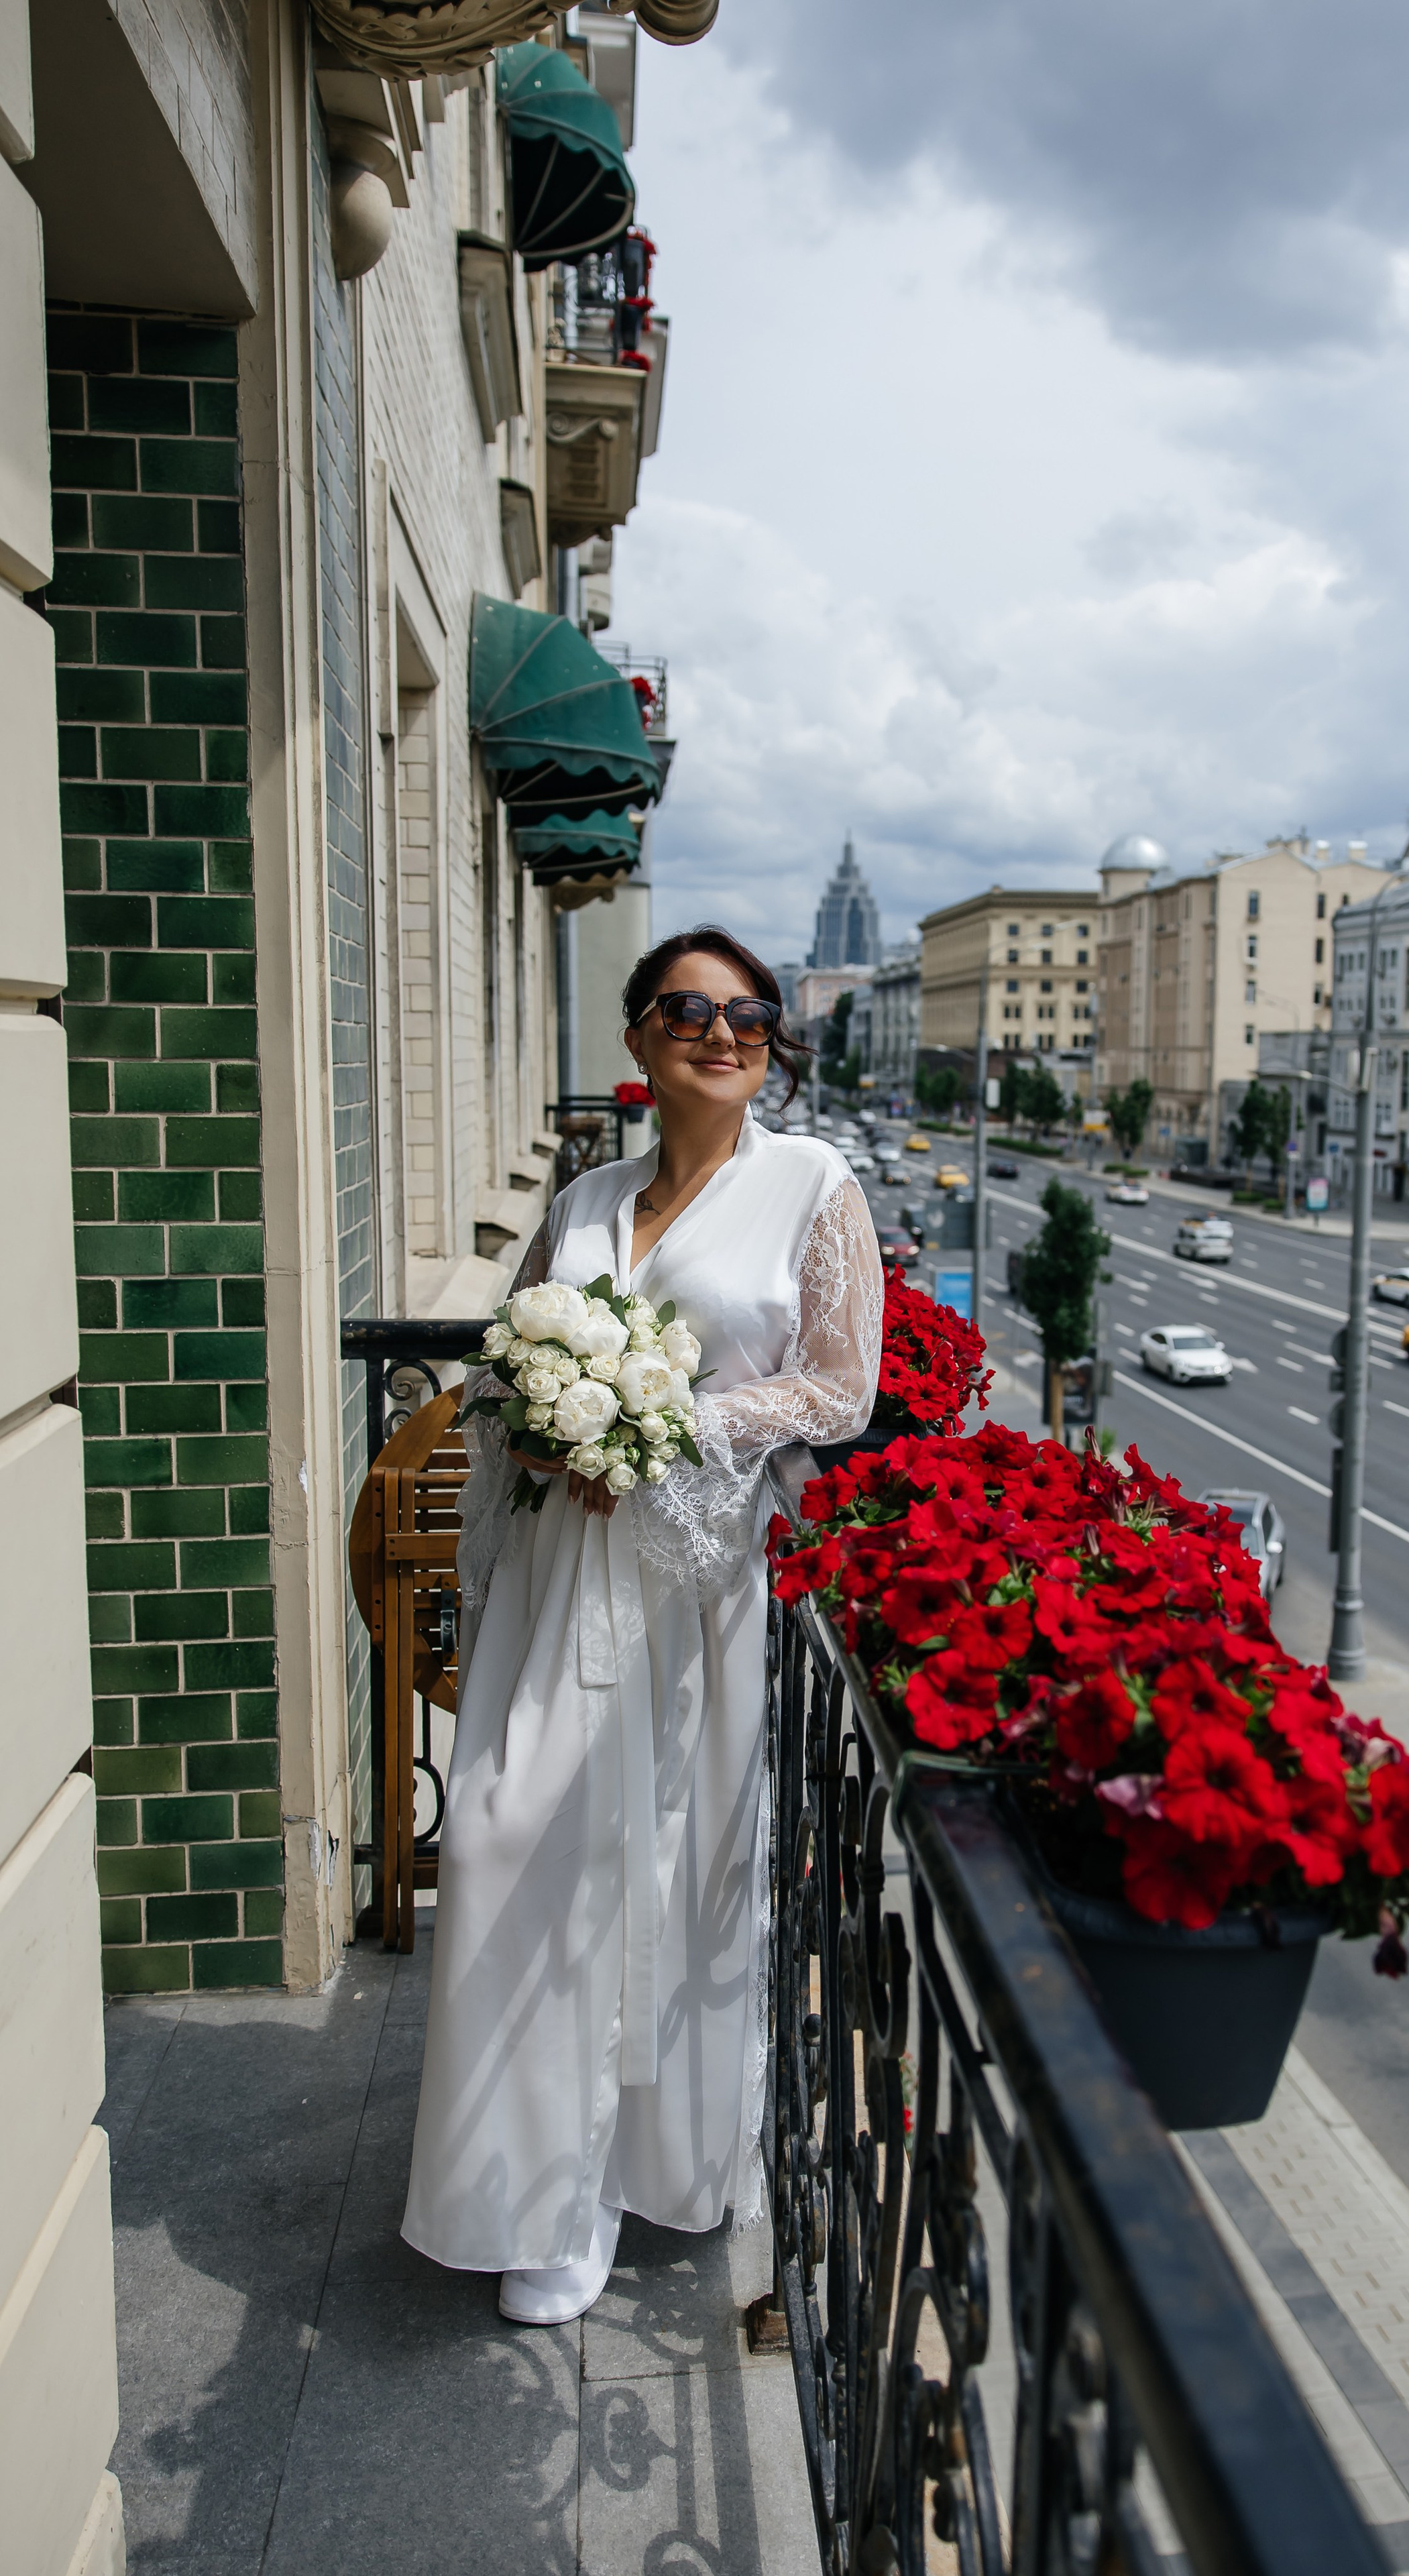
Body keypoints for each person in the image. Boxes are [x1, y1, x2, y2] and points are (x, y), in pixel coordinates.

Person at [402, 928, 883, 2325]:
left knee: (663, 1868)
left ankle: (610, 2182)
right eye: (686, 1007)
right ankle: (523, 2176)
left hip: (696, 1584)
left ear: (773, 1042)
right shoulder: (589, 1194)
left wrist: (659, 1425)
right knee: (504, 1842)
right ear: (638, 1037)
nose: (719, 1031)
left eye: (747, 1014)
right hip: (567, 1576)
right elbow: (511, 1361)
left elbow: (837, 1386)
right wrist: (551, 1429)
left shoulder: (812, 1184)